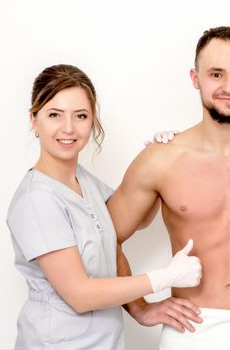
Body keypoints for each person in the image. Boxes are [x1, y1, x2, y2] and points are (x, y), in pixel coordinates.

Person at [6, 64, 202, 350]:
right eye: (54, 115)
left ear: (92, 120)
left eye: (81, 116)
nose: (69, 128)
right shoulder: (37, 200)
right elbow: (80, 294)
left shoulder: (83, 182)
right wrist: (164, 278)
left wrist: (155, 162)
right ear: (34, 121)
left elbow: (133, 220)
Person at [107, 26, 230, 349]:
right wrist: (140, 307)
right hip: (195, 327)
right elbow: (103, 236)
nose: (227, 86)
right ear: (195, 78)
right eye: (217, 74)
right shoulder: (162, 160)